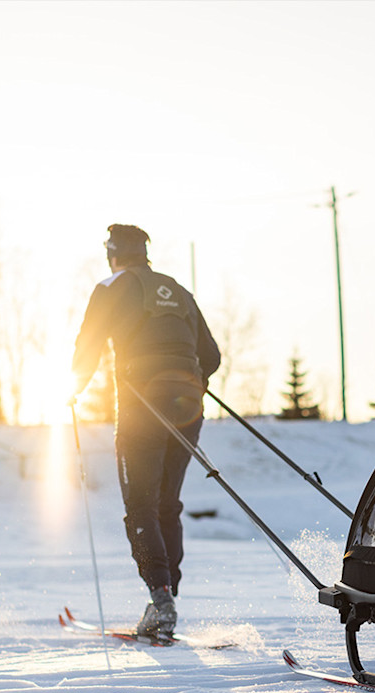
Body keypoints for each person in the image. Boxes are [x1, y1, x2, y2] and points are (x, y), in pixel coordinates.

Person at [72, 224, 220, 640]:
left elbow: (90, 342)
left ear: (113, 254)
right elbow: (211, 356)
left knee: (141, 507)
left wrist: (74, 387)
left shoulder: (112, 286)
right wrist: (186, 383)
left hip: (141, 410)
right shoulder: (177, 290)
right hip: (189, 409)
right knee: (167, 505)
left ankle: (160, 600)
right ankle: (166, 597)